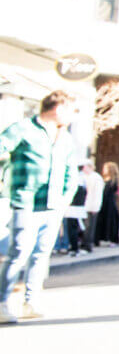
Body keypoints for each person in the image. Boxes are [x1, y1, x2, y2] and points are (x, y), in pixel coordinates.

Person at [0, 90, 79, 323]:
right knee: (19, 253)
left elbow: (70, 171)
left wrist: (65, 198)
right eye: (71, 111)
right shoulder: (23, 128)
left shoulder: (64, 137)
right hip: (26, 202)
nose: (72, 117)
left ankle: (30, 302)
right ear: (58, 109)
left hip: (54, 205)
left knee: (41, 256)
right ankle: (3, 302)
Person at [94, 161, 119, 247]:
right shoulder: (105, 180)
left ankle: (112, 239)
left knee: (110, 221)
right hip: (103, 203)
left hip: (109, 204)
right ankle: (98, 239)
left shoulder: (114, 181)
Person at [81, 160, 103, 253]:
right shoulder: (85, 177)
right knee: (85, 227)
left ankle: (87, 245)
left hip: (91, 206)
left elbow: (97, 194)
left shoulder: (96, 178)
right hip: (85, 206)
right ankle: (83, 244)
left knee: (89, 227)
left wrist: (95, 207)